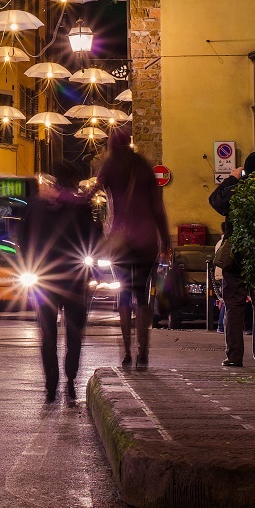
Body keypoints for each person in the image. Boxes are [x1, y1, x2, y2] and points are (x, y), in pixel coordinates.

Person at [22, 161, 101, 405]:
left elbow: (23, 239)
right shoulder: (81, 206)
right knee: (75, 334)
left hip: (44, 277)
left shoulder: (37, 206)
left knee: (48, 334)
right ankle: (70, 380)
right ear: (76, 181)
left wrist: (28, 264)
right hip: (75, 279)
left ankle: (51, 386)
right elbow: (95, 238)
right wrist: (93, 269)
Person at [96, 128, 170, 371]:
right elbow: (157, 206)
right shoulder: (143, 167)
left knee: (124, 296)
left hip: (122, 241)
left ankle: (127, 350)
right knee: (142, 294)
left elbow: (95, 190)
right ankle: (143, 352)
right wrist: (165, 239)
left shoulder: (109, 165)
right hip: (147, 240)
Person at [208, 151, 255, 368]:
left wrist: (233, 177)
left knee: (234, 305)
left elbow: (214, 200)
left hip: (236, 253)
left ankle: (234, 356)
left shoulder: (237, 189)